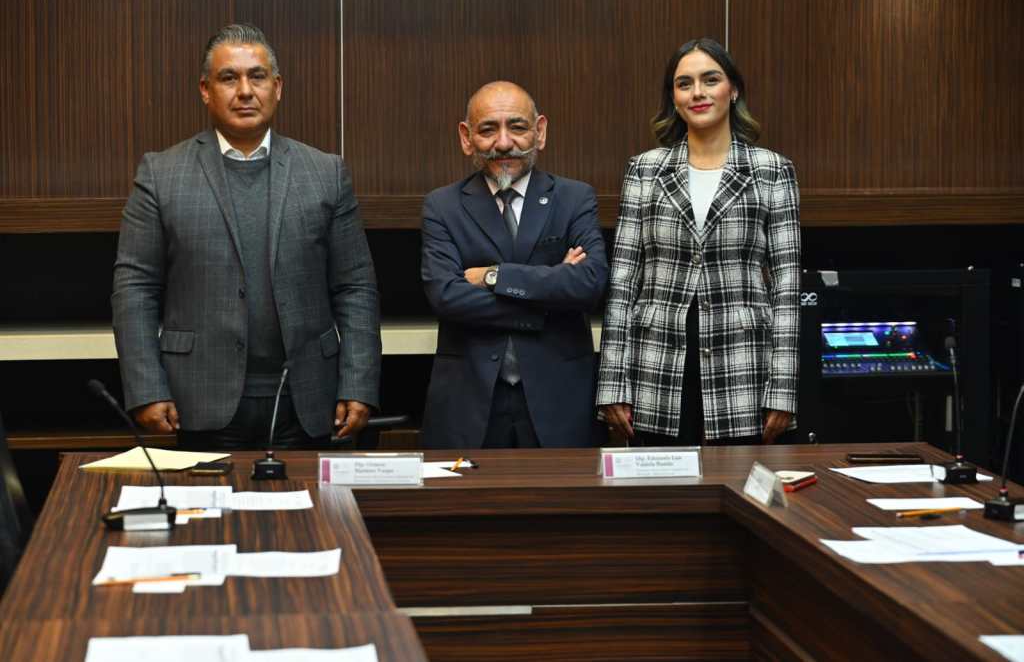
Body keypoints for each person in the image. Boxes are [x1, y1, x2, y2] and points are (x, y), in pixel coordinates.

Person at [112, 24, 381, 449]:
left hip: (308, 401)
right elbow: (135, 288)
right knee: (211, 518)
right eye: (228, 78)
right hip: (197, 402)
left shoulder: (325, 172)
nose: (244, 90)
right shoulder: (161, 174)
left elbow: (356, 287)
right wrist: (146, 388)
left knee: (307, 517)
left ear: (277, 87)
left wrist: (359, 383)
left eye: (257, 77)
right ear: (205, 90)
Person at [597, 37, 800, 446]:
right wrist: (612, 385)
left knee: (739, 495)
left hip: (743, 367)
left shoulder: (772, 170)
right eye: (684, 83)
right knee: (660, 502)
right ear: (673, 98)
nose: (698, 93)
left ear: (733, 89)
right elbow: (622, 282)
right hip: (655, 367)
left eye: (711, 80)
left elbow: (787, 287)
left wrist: (782, 389)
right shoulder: (644, 170)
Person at [420, 81, 608, 449]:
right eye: (488, 129)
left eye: (517, 127)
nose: (504, 143)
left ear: (540, 132)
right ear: (466, 137)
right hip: (469, 405)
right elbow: (446, 296)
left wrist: (494, 276)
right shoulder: (441, 207)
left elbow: (588, 284)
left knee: (563, 506)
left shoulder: (574, 198)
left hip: (560, 402)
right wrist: (550, 290)